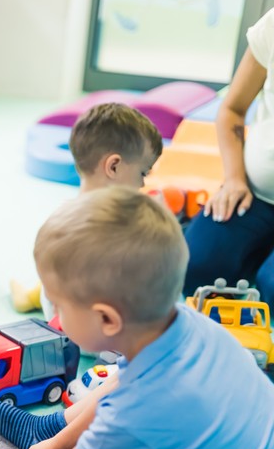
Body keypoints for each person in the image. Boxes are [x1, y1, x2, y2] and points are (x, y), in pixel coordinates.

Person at [0, 187, 274, 449]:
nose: (53, 314)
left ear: (107, 319)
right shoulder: (182, 326)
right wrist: (59, 443)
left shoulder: (146, 404)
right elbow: (117, 387)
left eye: (59, 303)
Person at [184, 2, 274, 323]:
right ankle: (269, 252)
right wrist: (233, 179)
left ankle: (272, 262)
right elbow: (232, 109)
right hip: (253, 190)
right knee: (192, 271)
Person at [10, 103, 163, 315]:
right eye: (143, 174)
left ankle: (29, 296)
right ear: (114, 167)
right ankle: (29, 296)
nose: (142, 185)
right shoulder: (100, 230)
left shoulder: (64, 218)